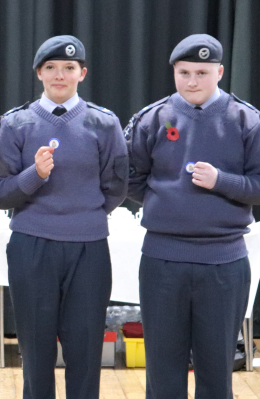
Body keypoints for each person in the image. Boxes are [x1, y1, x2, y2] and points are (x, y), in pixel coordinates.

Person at [0, 36, 128, 399]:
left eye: (68, 67)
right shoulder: (16, 123)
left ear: (82, 73)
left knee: (85, 351)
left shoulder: (103, 123)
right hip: (32, 246)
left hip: (88, 248)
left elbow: (116, 187)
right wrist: (35, 175)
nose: (59, 75)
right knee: (35, 351)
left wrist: (83, 216)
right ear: (39, 73)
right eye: (50, 67)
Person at [126, 34, 260, 399]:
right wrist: (168, 205)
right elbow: (130, 179)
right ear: (174, 72)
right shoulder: (152, 119)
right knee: (162, 372)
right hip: (162, 262)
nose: (192, 81)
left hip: (224, 264)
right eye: (184, 73)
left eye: (202, 73)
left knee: (216, 372)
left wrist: (222, 182)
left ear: (220, 72)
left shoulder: (246, 120)